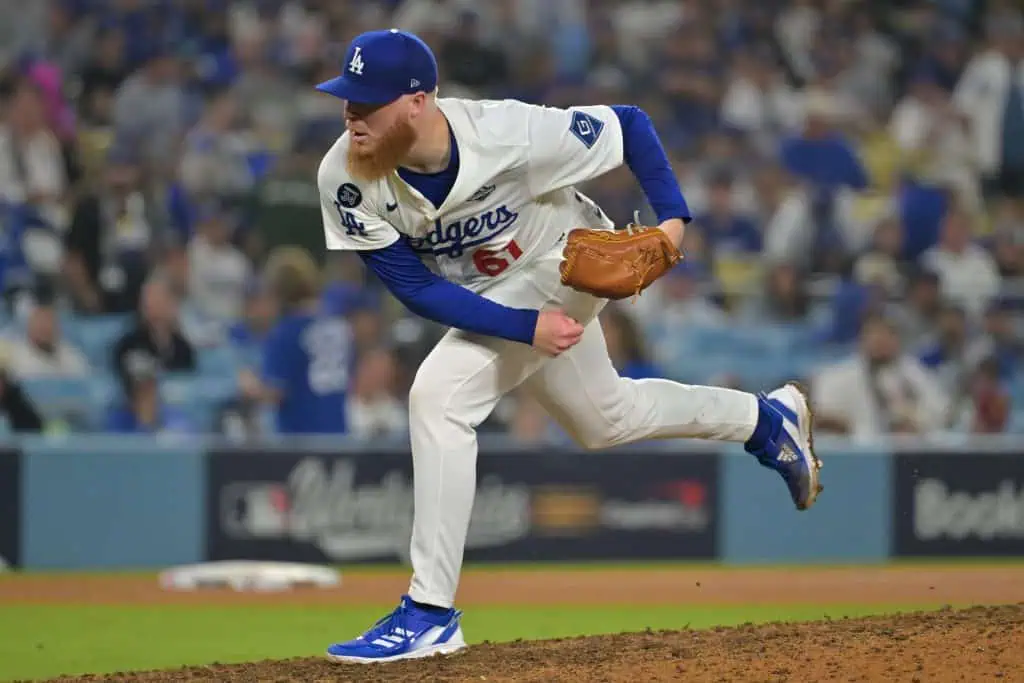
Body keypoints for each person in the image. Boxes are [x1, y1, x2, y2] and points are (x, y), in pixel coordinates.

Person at [314, 29, 823, 663]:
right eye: (348, 98)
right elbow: (415, 288)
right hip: (495, 295)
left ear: (418, 101)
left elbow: (629, 125)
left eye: (368, 101)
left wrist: (672, 221)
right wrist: (525, 328)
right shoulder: (345, 175)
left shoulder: (507, 134)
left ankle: (430, 613)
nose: (352, 114)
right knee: (605, 420)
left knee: (439, 398)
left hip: (561, 261)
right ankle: (764, 419)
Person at [238, 246, 352, 435]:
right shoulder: (337, 324)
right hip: (339, 431)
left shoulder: (287, 332)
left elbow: (274, 393)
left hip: (302, 436)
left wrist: (249, 385)